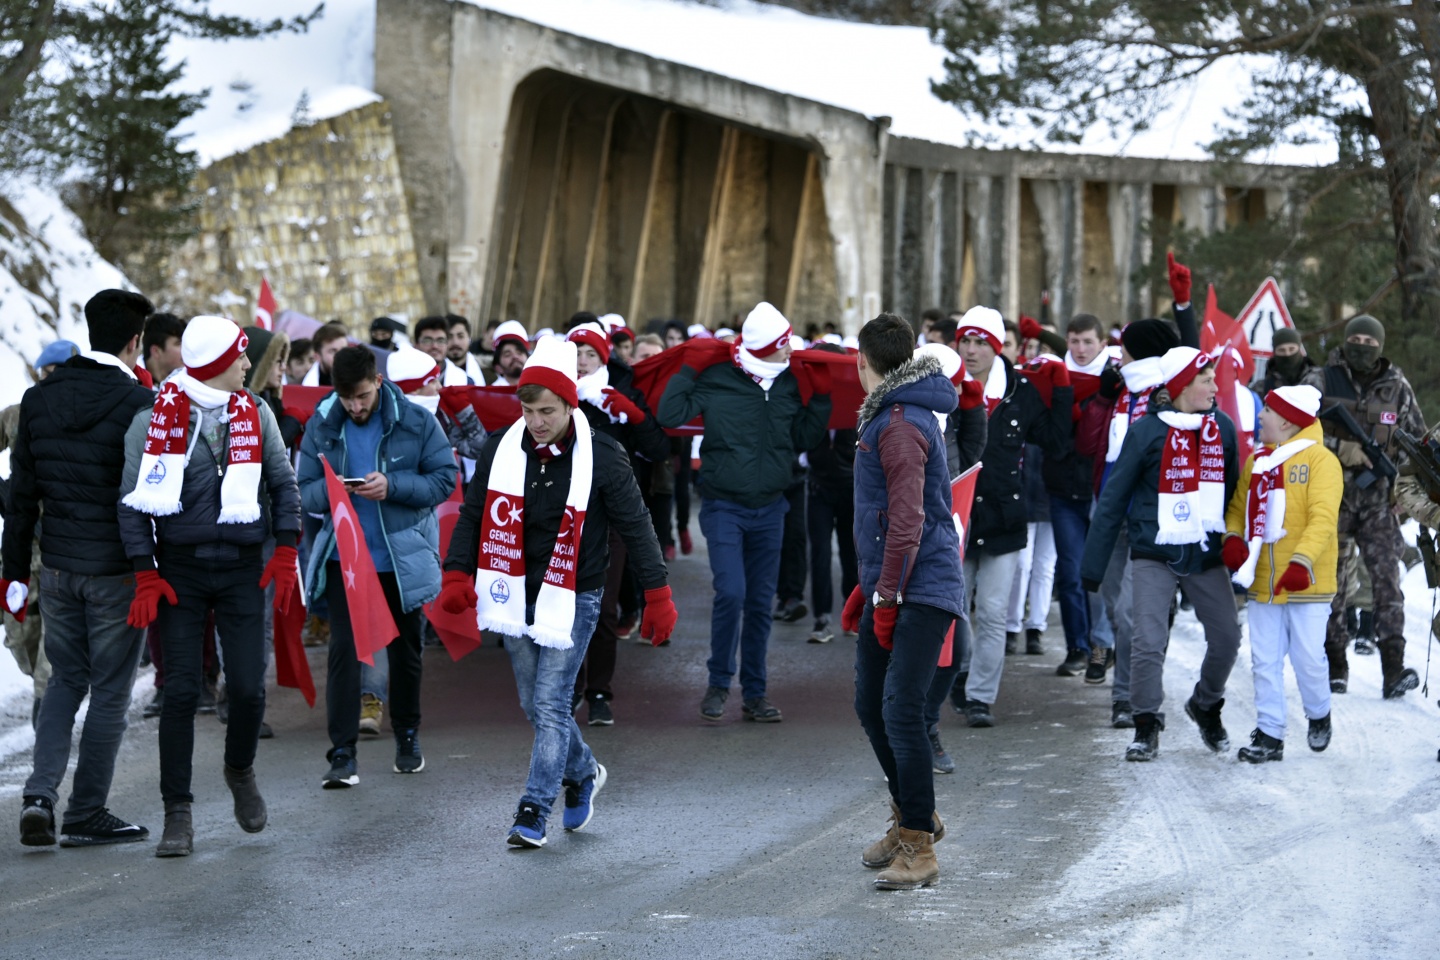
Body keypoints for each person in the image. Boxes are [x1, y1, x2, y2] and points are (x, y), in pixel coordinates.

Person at [437, 337, 676, 847]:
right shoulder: (502, 447)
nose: (537, 421)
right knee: (532, 703)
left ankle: (533, 809)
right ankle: (584, 770)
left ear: (571, 404)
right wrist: (457, 573)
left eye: (548, 410)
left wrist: (657, 593)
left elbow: (637, 526)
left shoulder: (604, 455)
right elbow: (474, 514)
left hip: (575, 592)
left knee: (550, 704)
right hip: (511, 588)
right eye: (528, 410)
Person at [118, 316, 300, 856]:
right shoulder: (152, 417)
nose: (249, 365)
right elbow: (131, 503)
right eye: (241, 356)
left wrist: (286, 546)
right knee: (179, 693)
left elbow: (282, 483)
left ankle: (239, 770)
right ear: (219, 363)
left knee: (247, 688)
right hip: (181, 570)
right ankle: (179, 812)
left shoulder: (257, 411)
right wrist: (145, 571)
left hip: (244, 566)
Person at [6, 290, 156, 847]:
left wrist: (14, 571)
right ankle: (86, 809)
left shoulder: (38, 399)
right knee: (112, 692)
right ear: (135, 340)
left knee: (65, 681)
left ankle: (39, 794)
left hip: (58, 569)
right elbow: (146, 495)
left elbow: (21, 496)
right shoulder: (140, 401)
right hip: (117, 572)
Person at [657, 302, 831, 723]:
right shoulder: (718, 379)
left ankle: (755, 693)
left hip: (772, 507)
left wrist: (821, 398)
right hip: (723, 506)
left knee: (757, 602)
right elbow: (669, 414)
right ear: (767, 347)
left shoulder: (788, 382)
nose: (792, 349)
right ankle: (718, 683)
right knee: (731, 592)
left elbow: (803, 438)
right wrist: (688, 371)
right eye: (784, 343)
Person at [297, 346, 457, 788]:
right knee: (344, 655)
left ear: (379, 382)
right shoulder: (323, 424)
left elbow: (445, 479)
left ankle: (407, 735)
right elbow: (303, 489)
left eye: (363, 396)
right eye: (348, 398)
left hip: (399, 558)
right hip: (344, 561)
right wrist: (333, 492)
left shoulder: (416, 421)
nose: (356, 406)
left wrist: (395, 486)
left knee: (405, 651)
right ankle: (342, 754)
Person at [844, 313, 963, 891]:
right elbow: (885, 518)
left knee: (901, 709)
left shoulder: (896, 423)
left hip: (923, 585)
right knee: (872, 704)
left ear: (864, 360)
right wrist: (866, 590)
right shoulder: (891, 416)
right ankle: (913, 813)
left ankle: (919, 843)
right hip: (893, 582)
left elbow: (909, 521)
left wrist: (886, 596)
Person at [1081, 347, 1242, 761]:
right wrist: (1093, 568)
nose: (1213, 386)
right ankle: (1146, 723)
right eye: (1205, 379)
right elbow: (1114, 499)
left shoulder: (1221, 428)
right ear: (1182, 385)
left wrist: (1239, 548)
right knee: (1147, 640)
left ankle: (1206, 704)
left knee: (1227, 637)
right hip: (1153, 549)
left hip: (1204, 552)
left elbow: (1233, 496)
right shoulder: (1147, 431)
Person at [951, 306, 1072, 727]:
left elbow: (1055, 442)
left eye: (979, 342)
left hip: (1004, 517)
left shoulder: (1019, 391)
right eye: (964, 341)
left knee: (993, 611)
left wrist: (1061, 390)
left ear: (996, 347)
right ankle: (957, 674)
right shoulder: (945, 385)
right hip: (956, 518)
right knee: (952, 608)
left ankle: (981, 696)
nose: (970, 350)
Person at [1301, 314, 1424, 698]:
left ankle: (1393, 670)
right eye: (1354, 338)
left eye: (1369, 341)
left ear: (1380, 346)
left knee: (1387, 583)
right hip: (1329, 499)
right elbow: (1296, 433)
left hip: (1377, 505)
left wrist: (1405, 493)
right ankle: (1335, 665)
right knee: (1332, 587)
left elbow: (1416, 444)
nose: (1361, 346)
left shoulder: (1397, 388)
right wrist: (1341, 448)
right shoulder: (1319, 381)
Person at [1221, 385, 1340, 762]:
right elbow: (1239, 507)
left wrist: (1301, 562)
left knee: (1308, 658)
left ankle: (1318, 713)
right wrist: (1233, 537)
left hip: (1307, 581)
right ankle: (1270, 735)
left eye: (1267, 411)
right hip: (1262, 581)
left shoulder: (1322, 461)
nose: (1260, 416)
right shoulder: (1258, 461)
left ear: (1287, 420)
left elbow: (1323, 520)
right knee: (1264, 660)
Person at [564, 322, 668, 725]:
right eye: (576, 354)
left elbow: (658, 448)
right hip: (564, 514)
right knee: (563, 607)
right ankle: (568, 686)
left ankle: (600, 692)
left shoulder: (620, 390)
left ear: (604, 357)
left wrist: (633, 415)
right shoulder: (555, 396)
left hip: (612, 514)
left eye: (591, 354)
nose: (583, 362)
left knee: (604, 608)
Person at [0, 342, 80, 729]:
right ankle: (41, 684)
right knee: (19, 634)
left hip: (61, 546)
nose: (54, 378)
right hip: (21, 547)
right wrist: (4, 490)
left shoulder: (81, 416)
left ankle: (46, 702)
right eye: (48, 371)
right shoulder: (17, 415)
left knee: (56, 634)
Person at [1043, 314, 1114, 679]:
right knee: (1070, 571)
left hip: (1101, 489)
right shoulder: (1054, 377)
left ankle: (1102, 645)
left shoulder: (1116, 379)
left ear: (1102, 343)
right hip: (1063, 487)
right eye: (1074, 341)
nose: (1081, 349)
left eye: (1088, 341)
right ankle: (1077, 647)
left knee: (1098, 574)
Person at [803, 342, 859, 645]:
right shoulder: (811, 397)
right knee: (820, 553)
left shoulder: (859, 399)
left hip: (851, 485)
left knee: (852, 554)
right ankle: (822, 617)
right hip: (818, 485)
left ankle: (852, 614)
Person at [1251, 328, 1315, 398]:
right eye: (1281, 350)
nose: (1287, 354)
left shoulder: (1319, 380)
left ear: (1299, 349)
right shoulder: (1261, 388)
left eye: (1292, 349)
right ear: (1275, 352)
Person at [414, 316, 472, 387]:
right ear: (416, 345)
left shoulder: (465, 381)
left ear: (447, 344)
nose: (434, 346)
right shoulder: (403, 379)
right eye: (428, 340)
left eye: (440, 341)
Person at [142, 313, 186, 384]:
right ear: (156, 351)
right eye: (178, 343)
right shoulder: (130, 382)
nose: (185, 349)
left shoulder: (185, 385)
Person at [301, 323, 350, 387]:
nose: (341, 355)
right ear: (317, 356)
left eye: (344, 349)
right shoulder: (302, 386)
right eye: (333, 351)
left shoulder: (361, 379)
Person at [489, 320, 531, 386]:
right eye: (507, 354)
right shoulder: (490, 395)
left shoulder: (541, 392)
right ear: (498, 367)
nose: (515, 357)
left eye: (519, 352)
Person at [447, 315, 485, 383]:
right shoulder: (433, 375)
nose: (455, 342)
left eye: (460, 336)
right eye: (449, 337)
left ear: (469, 339)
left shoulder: (488, 375)